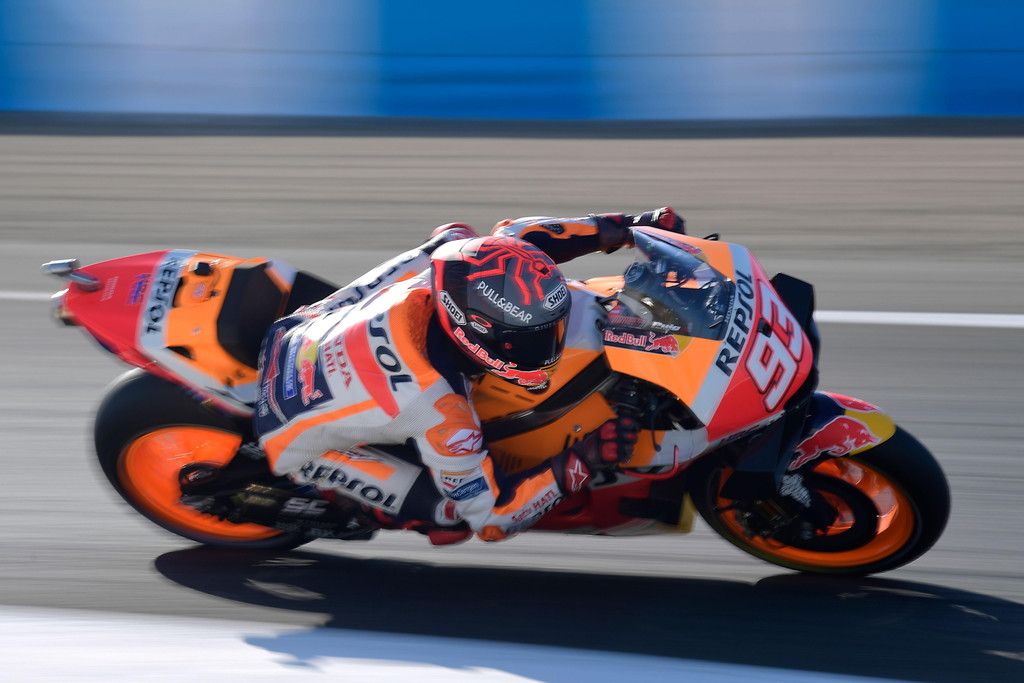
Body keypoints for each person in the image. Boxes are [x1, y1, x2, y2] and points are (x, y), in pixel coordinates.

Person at [191, 207, 686, 543]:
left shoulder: (466, 258)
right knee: (452, 516)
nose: (548, 345)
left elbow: (525, 235)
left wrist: (632, 227)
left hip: (308, 329)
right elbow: (491, 517)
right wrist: (583, 459)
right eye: (530, 337)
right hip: (297, 431)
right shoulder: (439, 407)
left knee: (453, 236)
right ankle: (363, 505)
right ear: (475, 331)